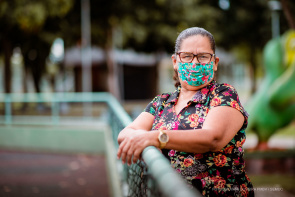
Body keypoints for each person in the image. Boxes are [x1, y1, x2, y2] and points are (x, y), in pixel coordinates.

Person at [117, 27, 254, 197]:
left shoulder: (223, 94)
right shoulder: (161, 102)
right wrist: (140, 137)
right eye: (187, 56)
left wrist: (154, 137)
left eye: (203, 56)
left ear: (215, 62)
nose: (195, 63)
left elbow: (213, 138)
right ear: (175, 61)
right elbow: (125, 134)